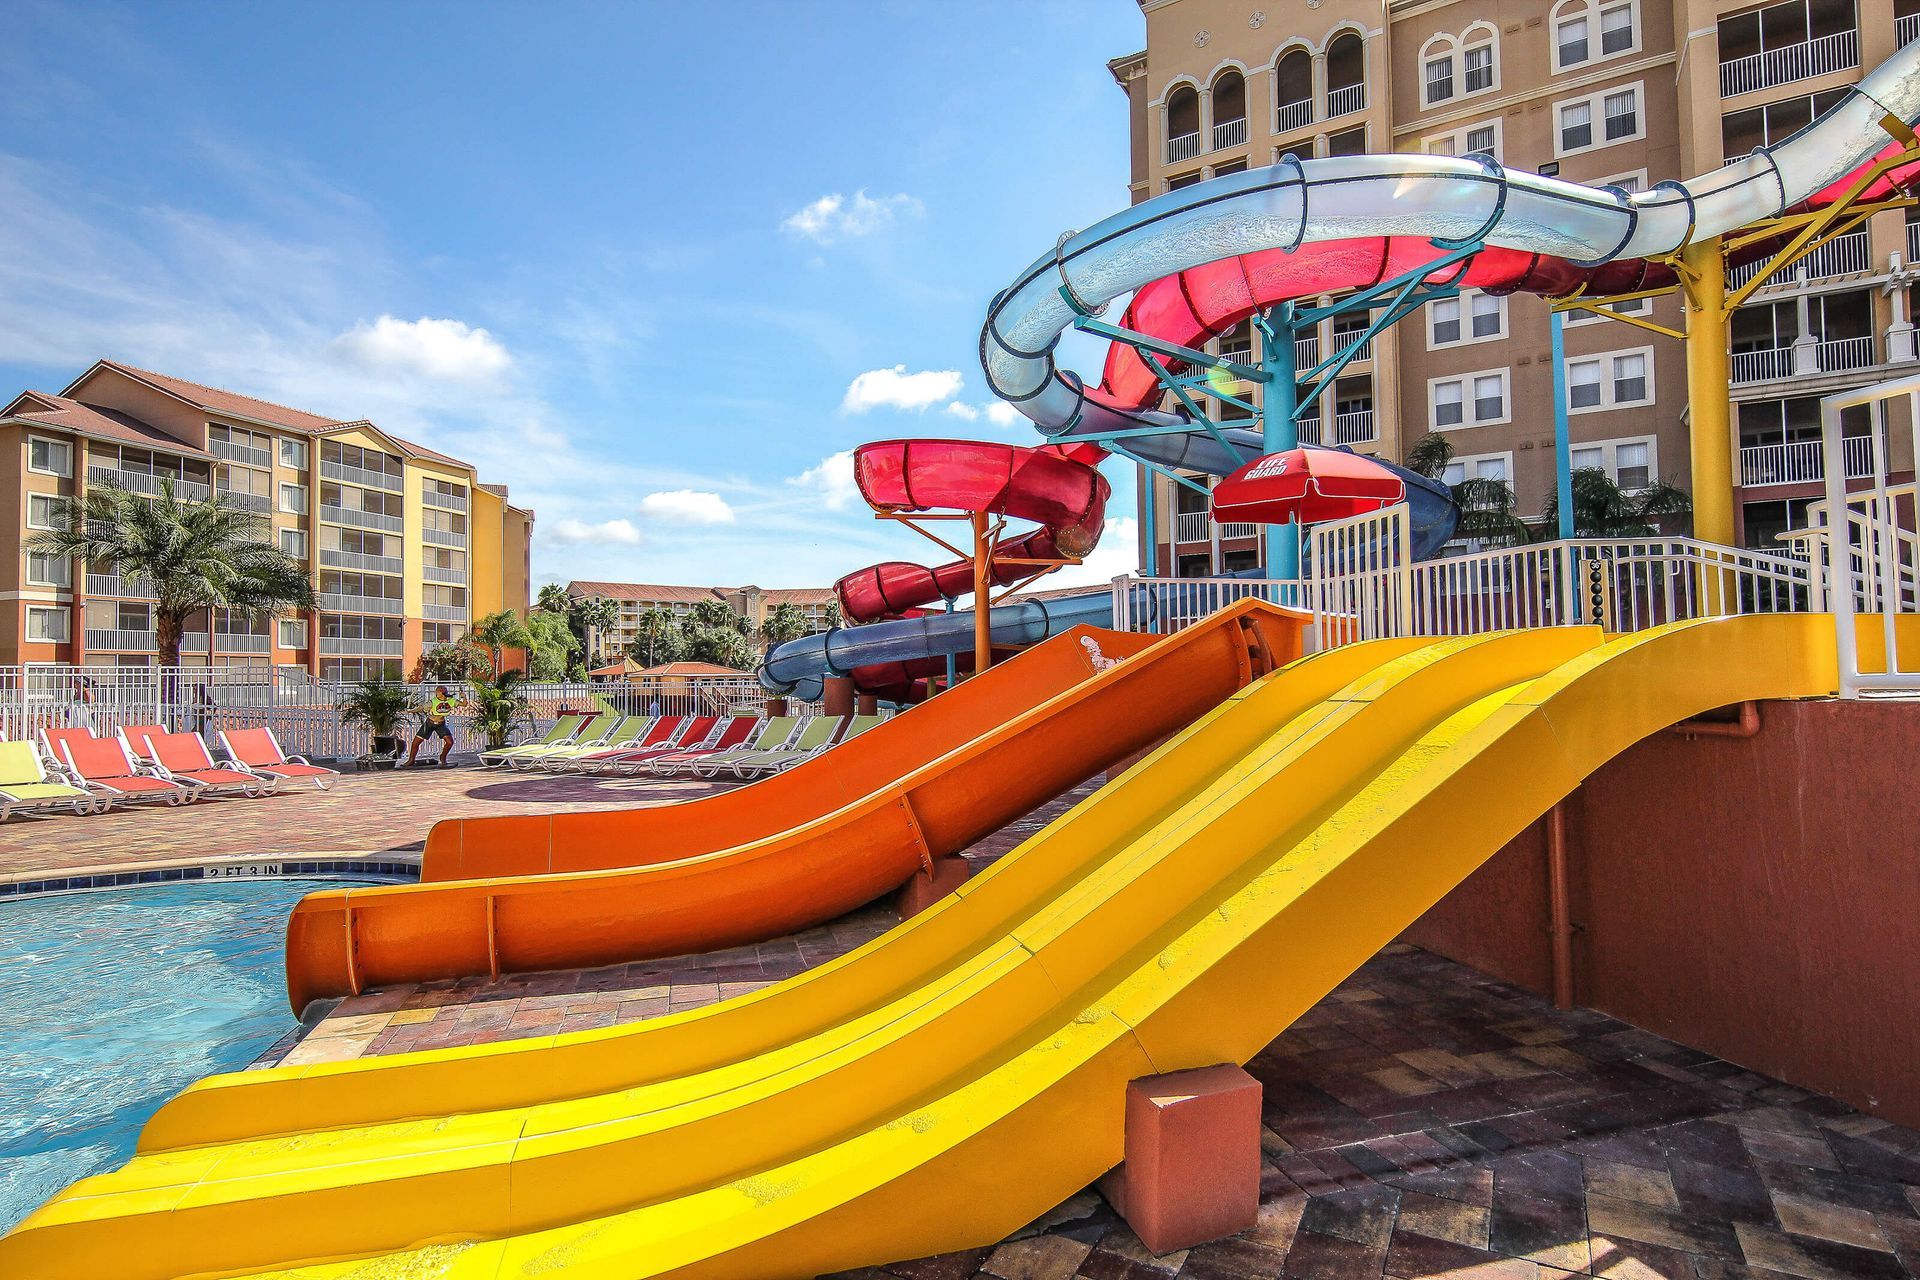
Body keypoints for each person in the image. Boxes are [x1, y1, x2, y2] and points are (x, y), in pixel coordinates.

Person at [407, 685, 461, 767]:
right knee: (416, 742)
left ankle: (443, 757)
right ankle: (411, 760)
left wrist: (464, 697)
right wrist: (411, 711)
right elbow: (421, 707)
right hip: (430, 723)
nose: (436, 693)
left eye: (438, 692)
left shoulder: (450, 700)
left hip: (440, 724)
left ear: (441, 693)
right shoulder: (433, 701)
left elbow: (464, 704)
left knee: (450, 742)